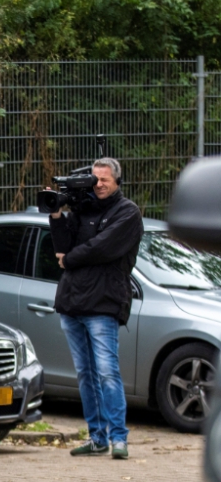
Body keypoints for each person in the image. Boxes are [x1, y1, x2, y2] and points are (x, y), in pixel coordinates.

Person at [50, 157, 143, 460]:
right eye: (95, 179)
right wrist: (56, 214)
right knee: (85, 374)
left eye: (104, 180)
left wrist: (69, 259)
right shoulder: (82, 209)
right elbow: (61, 248)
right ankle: (96, 437)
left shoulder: (128, 213)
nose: (99, 184)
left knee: (107, 372)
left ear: (117, 181)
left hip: (103, 303)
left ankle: (118, 438)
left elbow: (102, 248)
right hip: (72, 302)